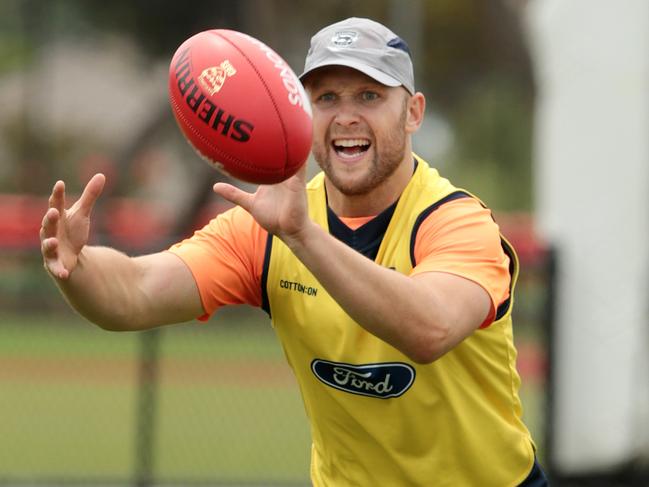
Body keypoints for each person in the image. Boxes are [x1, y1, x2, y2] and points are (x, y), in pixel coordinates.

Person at [40, 17, 547, 486]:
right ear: (302, 111)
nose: (345, 116)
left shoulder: (457, 222)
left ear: (413, 112)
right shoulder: (267, 225)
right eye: (326, 98)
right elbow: (136, 290)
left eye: (369, 96)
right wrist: (78, 268)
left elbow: (429, 328)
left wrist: (303, 235)